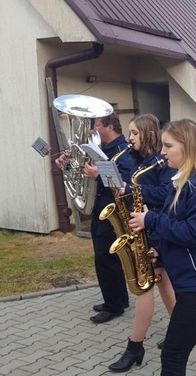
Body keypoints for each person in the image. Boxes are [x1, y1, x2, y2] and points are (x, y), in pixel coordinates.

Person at [129, 119, 196, 376]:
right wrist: (160, 253)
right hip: (195, 281)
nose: (162, 152)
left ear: (187, 146)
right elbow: (181, 228)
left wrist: (151, 219)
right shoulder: (184, 182)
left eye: (168, 145)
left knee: (173, 354)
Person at [107, 114, 177, 372]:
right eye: (130, 132)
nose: (130, 137)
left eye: (134, 133)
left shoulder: (162, 161)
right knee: (163, 283)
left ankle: (135, 345)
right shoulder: (139, 160)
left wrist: (133, 190)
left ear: (147, 133)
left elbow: (167, 193)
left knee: (144, 286)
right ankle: (181, 330)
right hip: (143, 227)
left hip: (156, 229)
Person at [56, 114, 135, 324]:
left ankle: (113, 306)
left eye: (97, 124)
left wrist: (98, 175)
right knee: (108, 258)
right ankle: (119, 299)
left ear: (110, 126)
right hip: (100, 209)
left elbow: (127, 183)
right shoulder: (101, 149)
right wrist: (68, 164)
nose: (93, 129)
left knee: (105, 259)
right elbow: (82, 174)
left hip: (113, 212)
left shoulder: (122, 150)